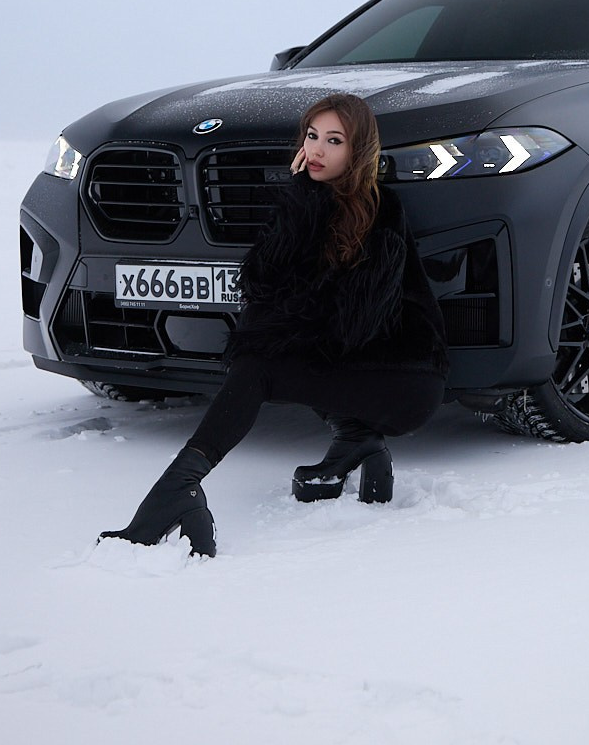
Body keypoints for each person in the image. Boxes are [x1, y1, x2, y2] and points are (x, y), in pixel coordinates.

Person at [100, 93, 448, 556]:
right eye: (312, 136)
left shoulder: (382, 213)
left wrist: (275, 337)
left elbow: (352, 325)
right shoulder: (309, 205)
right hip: (355, 366)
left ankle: (179, 487)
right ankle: (359, 443)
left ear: (358, 150)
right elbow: (265, 293)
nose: (318, 151)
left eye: (334, 140)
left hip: (406, 381)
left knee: (260, 364)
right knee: (260, 349)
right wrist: (300, 205)